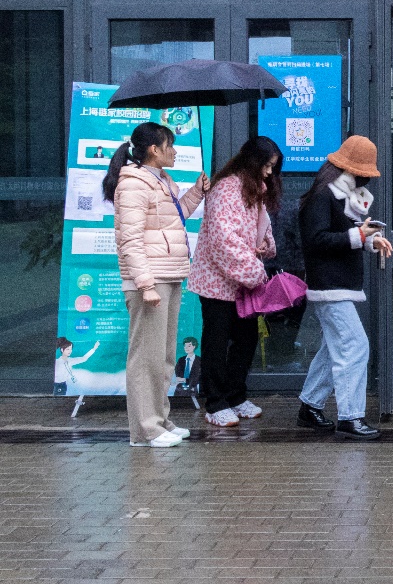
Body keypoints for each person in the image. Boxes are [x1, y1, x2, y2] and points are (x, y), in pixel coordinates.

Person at [102, 121, 209, 448]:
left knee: (162, 357)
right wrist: (145, 284)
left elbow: (175, 219)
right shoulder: (134, 184)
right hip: (150, 280)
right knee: (145, 358)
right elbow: (130, 240)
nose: (174, 151)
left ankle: (160, 421)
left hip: (169, 274)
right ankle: (145, 431)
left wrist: (196, 192)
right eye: (169, 145)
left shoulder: (161, 180)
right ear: (153, 149)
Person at [296, 135, 393, 441]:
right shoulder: (324, 196)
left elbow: (341, 236)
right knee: (355, 346)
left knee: (334, 348)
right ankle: (350, 417)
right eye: (363, 173)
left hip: (334, 284)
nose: (366, 179)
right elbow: (317, 240)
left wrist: (369, 239)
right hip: (330, 285)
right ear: (350, 171)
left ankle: (310, 407)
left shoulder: (338, 195)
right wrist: (361, 237)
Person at [187, 136, 282, 428]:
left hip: (242, 283)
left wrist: (264, 246)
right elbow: (224, 240)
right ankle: (215, 403)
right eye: (266, 165)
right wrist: (255, 272)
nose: (269, 172)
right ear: (253, 162)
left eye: (272, 167)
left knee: (246, 339)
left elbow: (260, 229)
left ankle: (236, 396)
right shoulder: (226, 188)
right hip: (217, 282)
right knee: (217, 342)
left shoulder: (253, 187)